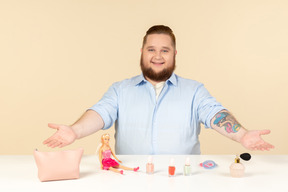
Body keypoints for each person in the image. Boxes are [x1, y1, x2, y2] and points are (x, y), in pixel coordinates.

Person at [43, 25, 274, 154]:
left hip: (184, 181)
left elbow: (215, 114)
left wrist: (242, 134)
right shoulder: (120, 90)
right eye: (151, 49)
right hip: (129, 179)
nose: (157, 56)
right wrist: (74, 131)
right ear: (142, 52)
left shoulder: (195, 91)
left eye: (165, 50)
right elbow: (100, 113)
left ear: (174, 54)